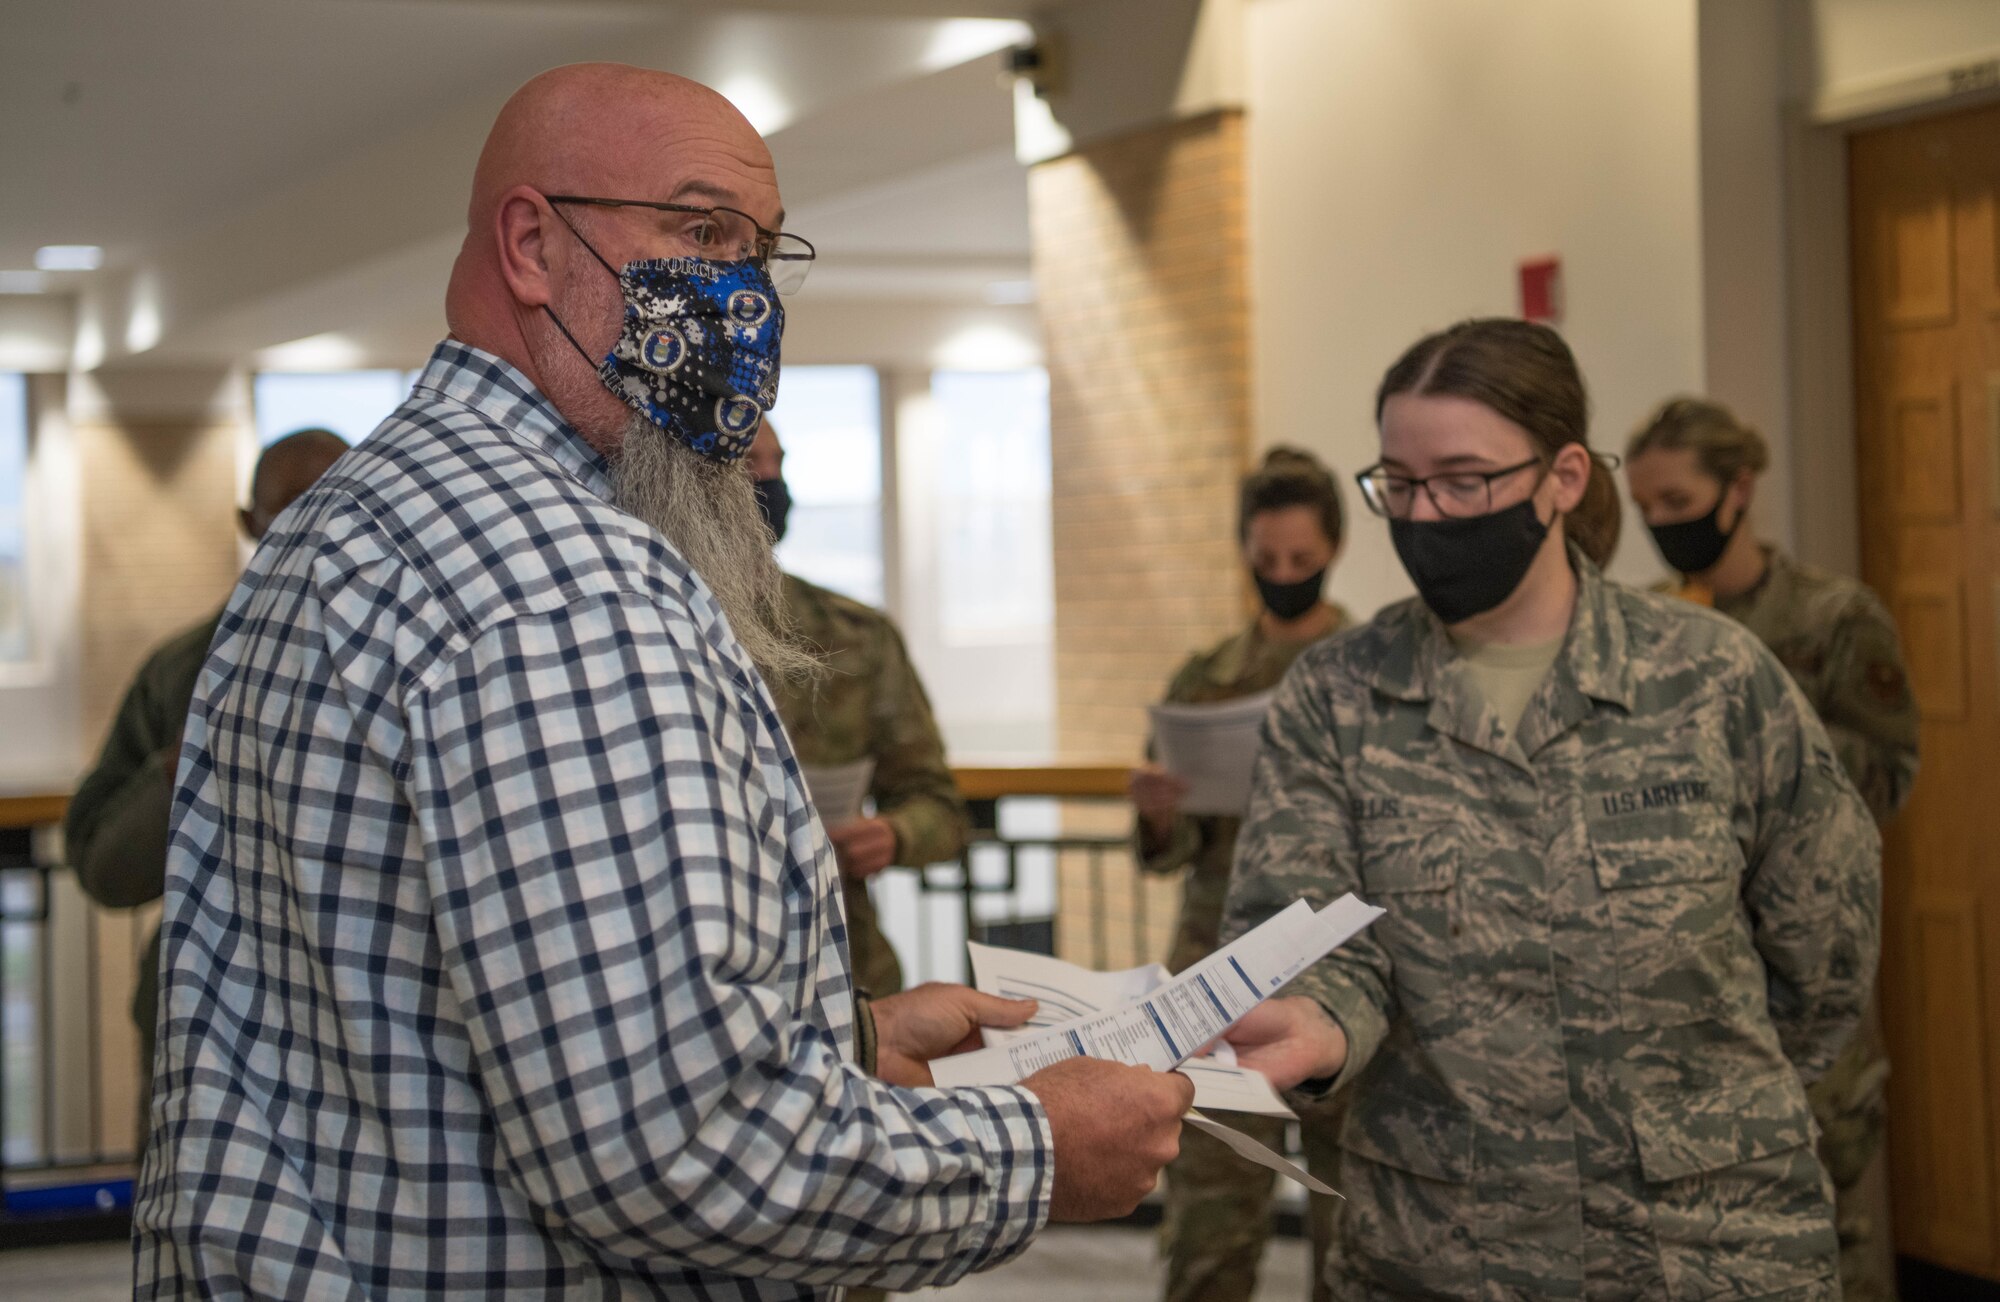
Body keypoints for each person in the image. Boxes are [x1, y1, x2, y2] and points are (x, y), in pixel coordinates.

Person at [130, 64, 1263, 1298]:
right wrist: (1039, 1148)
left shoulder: (353, 520)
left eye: (762, 254)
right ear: (529, 244)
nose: (745, 299)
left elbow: (434, 1012)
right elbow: (672, 1153)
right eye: (698, 231)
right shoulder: (562, 588)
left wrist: (850, 1035)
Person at [1216, 318, 1880, 1299]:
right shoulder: (1338, 697)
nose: (1426, 513)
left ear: (1560, 478)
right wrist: (1321, 1025)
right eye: (1397, 484)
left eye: (1462, 479)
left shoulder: (1710, 678)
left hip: (1708, 1246)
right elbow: (1303, 935)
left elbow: (1823, 945)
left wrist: (1695, 1108)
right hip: (1443, 1250)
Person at [1627, 396, 1919, 1302]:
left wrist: (1766, 739)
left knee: (1830, 1222)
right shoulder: (1642, 625)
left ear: (1738, 488)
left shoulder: (1833, 616)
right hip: (1683, 970)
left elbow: (1888, 772)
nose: (1660, 524)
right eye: (1646, 509)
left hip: (1801, 960)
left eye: (1677, 502)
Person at [65, 426, 348, 1138]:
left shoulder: (423, 654)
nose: (313, 524)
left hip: (367, 1026)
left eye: (334, 500)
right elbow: (105, 869)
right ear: (248, 522)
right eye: (290, 507)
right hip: (203, 1025)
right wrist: (182, 764)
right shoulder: (180, 673)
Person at [1130, 447, 1349, 1302]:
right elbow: (1169, 850)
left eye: (1302, 561)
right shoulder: (1207, 677)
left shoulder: (1374, 668)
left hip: (1342, 975)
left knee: (1355, 1231)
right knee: (1211, 1227)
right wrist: (1157, 812)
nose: (1284, 576)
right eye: (1267, 562)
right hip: (1221, 977)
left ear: (1332, 550)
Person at [746, 420, 967, 1000]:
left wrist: (893, 835)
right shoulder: (649, 623)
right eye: (747, 463)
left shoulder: (855, 636)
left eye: (778, 464)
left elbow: (937, 804)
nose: (769, 480)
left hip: (845, 976)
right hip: (712, 977)